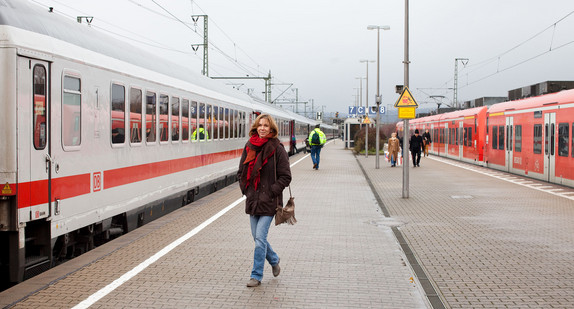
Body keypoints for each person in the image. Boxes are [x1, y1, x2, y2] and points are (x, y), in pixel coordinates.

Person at [237, 114, 292, 288]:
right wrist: (246, 189)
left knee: (260, 238)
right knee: (257, 237)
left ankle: (256, 275)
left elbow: (286, 176)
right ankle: (274, 260)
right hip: (253, 200)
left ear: (271, 129)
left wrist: (271, 192)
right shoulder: (249, 146)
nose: (262, 128)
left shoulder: (277, 149)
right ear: (256, 127)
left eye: (266, 126)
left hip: (269, 202)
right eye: (260, 125)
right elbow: (241, 171)